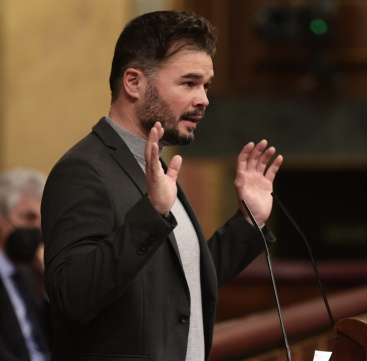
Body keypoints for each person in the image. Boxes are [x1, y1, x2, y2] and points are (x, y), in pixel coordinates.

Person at [41, 10, 283, 361]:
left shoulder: (156, 167)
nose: (204, 99)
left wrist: (248, 222)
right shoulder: (83, 169)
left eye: (206, 86)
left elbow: (182, 282)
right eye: (189, 83)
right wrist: (151, 214)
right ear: (134, 83)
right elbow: (71, 298)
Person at [0, 168, 51, 361]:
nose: (37, 229)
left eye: (41, 220)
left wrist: (48, 282)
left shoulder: (28, 273)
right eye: (28, 218)